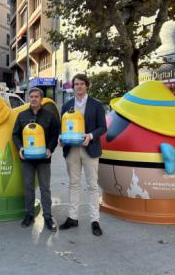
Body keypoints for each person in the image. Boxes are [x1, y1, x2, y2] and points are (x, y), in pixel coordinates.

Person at [60, 74, 107, 236]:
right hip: (71, 149)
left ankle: (95, 220)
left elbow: (103, 127)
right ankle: (73, 217)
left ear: (87, 86)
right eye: (76, 84)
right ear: (73, 87)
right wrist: (61, 137)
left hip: (90, 148)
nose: (79, 86)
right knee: (74, 183)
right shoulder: (66, 105)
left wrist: (91, 136)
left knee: (92, 185)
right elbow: (63, 127)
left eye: (82, 84)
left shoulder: (96, 105)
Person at [12, 87, 60, 232]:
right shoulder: (21, 116)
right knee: (28, 187)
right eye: (31, 96)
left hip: (43, 159)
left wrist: (50, 149)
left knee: (45, 188)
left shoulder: (49, 116)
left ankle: (48, 217)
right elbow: (15, 135)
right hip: (27, 158)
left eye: (36, 97)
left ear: (41, 99)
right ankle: (29, 215)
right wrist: (20, 147)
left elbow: (54, 135)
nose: (33, 99)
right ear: (28, 98)